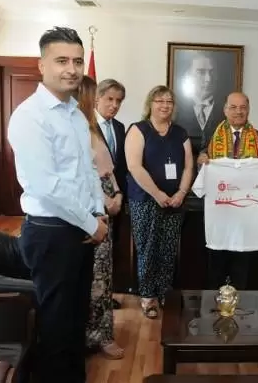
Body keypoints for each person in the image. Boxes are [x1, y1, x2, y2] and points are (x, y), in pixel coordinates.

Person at [7, 27, 107, 383]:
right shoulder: (30, 115)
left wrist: (98, 210)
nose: (72, 69)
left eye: (78, 61)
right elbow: (46, 186)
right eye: (62, 60)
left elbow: (88, 171)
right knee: (55, 327)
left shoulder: (76, 113)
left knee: (76, 321)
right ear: (42, 65)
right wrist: (91, 224)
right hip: (51, 232)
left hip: (82, 227)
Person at [125, 85, 193, 319]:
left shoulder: (180, 133)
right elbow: (134, 166)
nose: (165, 105)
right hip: (145, 200)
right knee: (148, 249)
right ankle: (148, 297)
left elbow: (188, 166)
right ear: (150, 104)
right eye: (159, 101)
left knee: (168, 250)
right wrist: (157, 194)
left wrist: (181, 193)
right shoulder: (138, 129)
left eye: (169, 101)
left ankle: (165, 293)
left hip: (175, 202)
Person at [197, 92, 258, 290]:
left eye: (243, 107)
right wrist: (201, 162)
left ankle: (241, 301)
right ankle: (215, 301)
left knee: (244, 261)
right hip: (220, 211)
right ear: (225, 110)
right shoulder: (210, 135)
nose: (238, 112)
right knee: (216, 260)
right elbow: (201, 166)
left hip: (247, 212)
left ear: (249, 109)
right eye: (233, 107)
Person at [76, 76, 125, 360]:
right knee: (93, 279)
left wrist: (117, 194)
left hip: (106, 207)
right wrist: (104, 202)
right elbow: (81, 178)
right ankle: (90, 336)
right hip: (89, 211)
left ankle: (102, 334)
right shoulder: (74, 131)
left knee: (103, 278)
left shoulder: (94, 128)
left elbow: (109, 170)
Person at [93, 78, 127, 307]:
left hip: (117, 198)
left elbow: (119, 168)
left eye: (119, 101)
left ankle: (107, 295)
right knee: (96, 253)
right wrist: (104, 198)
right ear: (97, 98)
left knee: (112, 250)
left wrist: (119, 195)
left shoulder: (120, 127)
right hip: (94, 200)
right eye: (110, 99)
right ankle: (94, 298)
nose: (114, 105)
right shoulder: (85, 126)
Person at [174, 54, 226, 146]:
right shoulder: (175, 109)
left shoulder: (227, 108)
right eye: (201, 72)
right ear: (188, 75)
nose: (208, 79)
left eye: (212, 72)